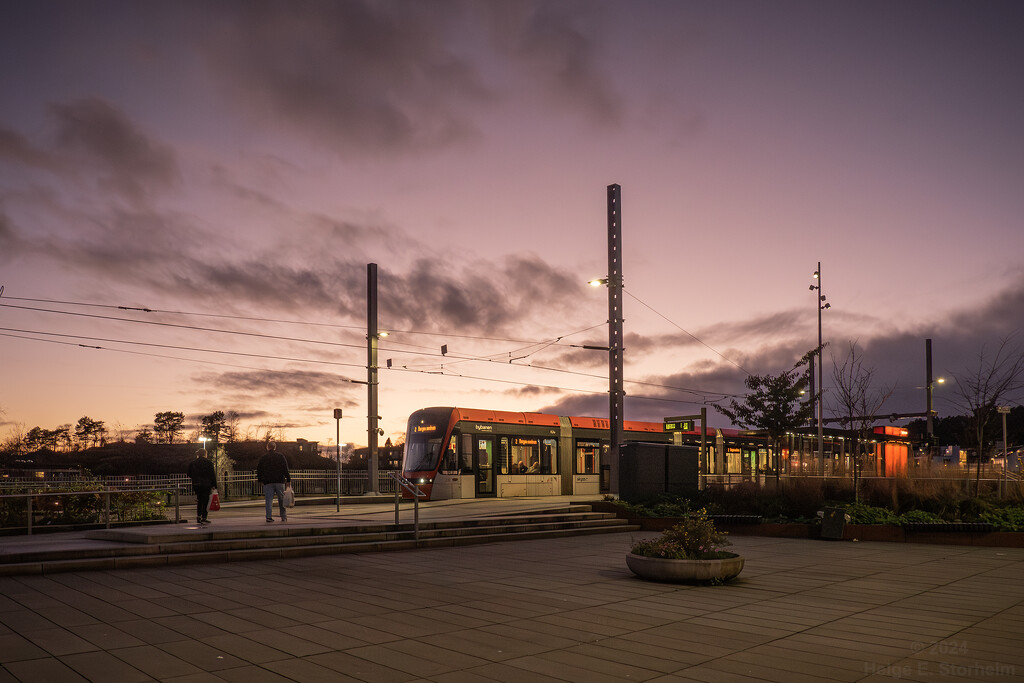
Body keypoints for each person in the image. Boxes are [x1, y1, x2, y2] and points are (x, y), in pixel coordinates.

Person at [257, 440, 290, 523]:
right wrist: (288, 479)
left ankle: (268, 516)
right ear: (275, 447)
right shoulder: (280, 456)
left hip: (268, 481)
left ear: (267, 447)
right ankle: (283, 516)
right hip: (279, 481)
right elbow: (285, 468)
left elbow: (259, 469)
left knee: (268, 500)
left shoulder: (264, 458)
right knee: (281, 500)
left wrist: (260, 480)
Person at [186, 448, 217, 525]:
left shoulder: (193, 463)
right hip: (206, 484)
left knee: (199, 500)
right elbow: (212, 475)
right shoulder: (209, 463)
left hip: (197, 484)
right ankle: (204, 517)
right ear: (205, 454)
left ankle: (198, 516)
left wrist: (195, 477)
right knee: (205, 501)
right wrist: (214, 485)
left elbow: (189, 474)